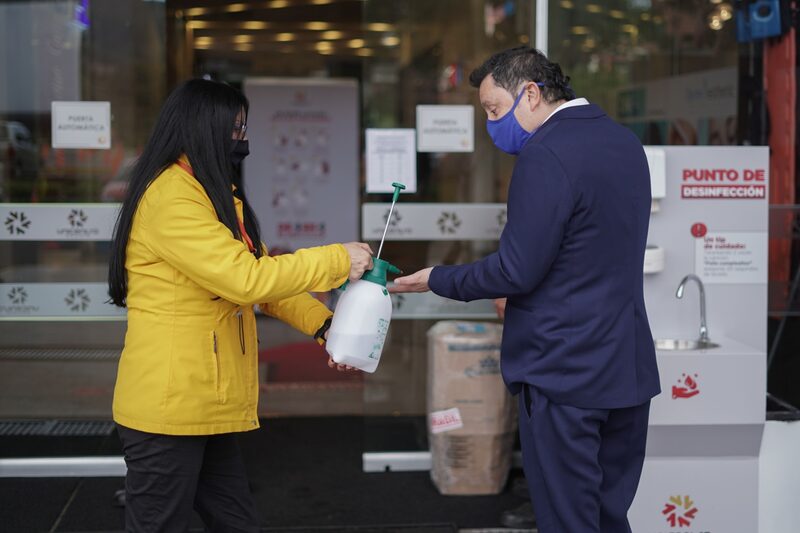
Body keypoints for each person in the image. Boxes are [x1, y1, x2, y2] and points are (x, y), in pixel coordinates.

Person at [391, 47, 660, 533]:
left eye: (494, 109)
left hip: (564, 372)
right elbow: (588, 254)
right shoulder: (623, 142)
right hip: (626, 369)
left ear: (530, 94)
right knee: (607, 516)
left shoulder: (546, 154)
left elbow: (517, 271)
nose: (493, 124)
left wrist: (436, 278)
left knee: (567, 521)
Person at [107, 79, 373, 532]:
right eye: (234, 128)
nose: (242, 139)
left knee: (236, 522)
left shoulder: (210, 196)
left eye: (243, 126)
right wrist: (336, 259)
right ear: (202, 128)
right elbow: (245, 280)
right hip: (170, 408)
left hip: (205, 402)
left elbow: (264, 278)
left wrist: (326, 326)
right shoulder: (172, 198)